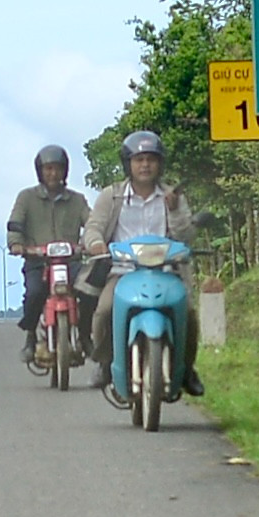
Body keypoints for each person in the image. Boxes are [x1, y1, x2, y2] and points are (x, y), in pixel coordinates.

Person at [80, 130, 204, 396]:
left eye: (151, 159)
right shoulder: (111, 196)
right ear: (128, 164)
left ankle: (186, 368)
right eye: (139, 159)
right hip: (123, 272)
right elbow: (93, 228)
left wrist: (174, 209)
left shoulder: (172, 196)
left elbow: (187, 236)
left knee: (189, 315)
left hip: (167, 272)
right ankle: (104, 362)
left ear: (160, 164)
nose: (145, 165)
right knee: (104, 311)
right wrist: (96, 244)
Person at [6, 144, 93, 362]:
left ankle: (84, 335)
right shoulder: (26, 198)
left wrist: (91, 243)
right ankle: (31, 337)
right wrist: (17, 245)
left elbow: (92, 224)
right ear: (40, 171)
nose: (53, 174)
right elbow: (15, 224)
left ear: (66, 171)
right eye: (48, 169)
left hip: (71, 262)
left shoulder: (77, 200)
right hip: (38, 262)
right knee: (35, 293)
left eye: (58, 168)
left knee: (90, 290)